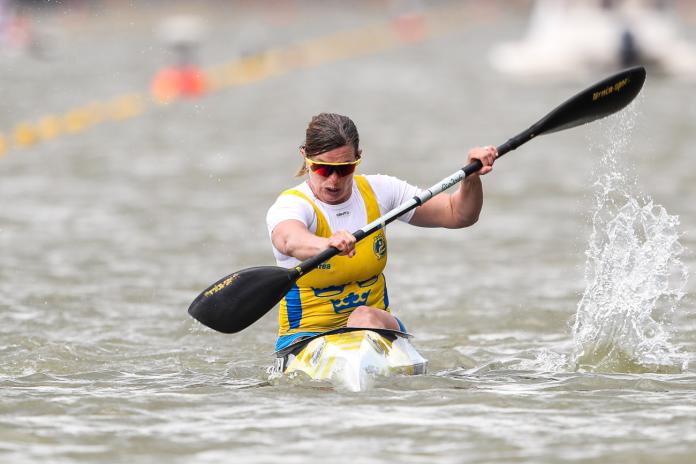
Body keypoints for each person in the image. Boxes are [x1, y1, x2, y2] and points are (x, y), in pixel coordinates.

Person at [266, 113, 496, 351]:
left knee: (363, 317)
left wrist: (471, 177)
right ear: (305, 157)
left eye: (345, 169)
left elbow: (458, 214)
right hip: (305, 339)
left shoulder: (380, 191)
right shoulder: (292, 204)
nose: (334, 180)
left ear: (358, 158)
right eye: (323, 169)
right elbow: (289, 239)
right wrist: (326, 245)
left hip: (375, 329)